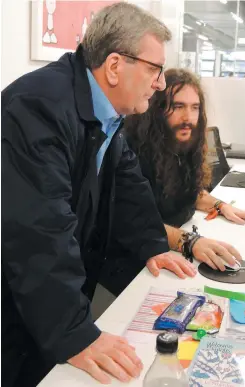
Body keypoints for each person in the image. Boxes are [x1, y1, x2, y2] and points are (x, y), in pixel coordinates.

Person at [1, 4, 197, 387]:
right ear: (113, 66)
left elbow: (126, 182)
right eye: (155, 69)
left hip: (45, 293)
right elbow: (39, 230)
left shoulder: (101, 109)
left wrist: (152, 246)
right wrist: (74, 333)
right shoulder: (39, 107)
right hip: (17, 293)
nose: (160, 83)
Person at [99, 69, 245, 295]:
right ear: (157, 109)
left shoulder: (182, 144)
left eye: (194, 107)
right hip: (134, 256)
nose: (188, 118)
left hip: (172, 246)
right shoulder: (132, 148)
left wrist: (221, 206)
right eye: (178, 107)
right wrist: (189, 242)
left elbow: (187, 191)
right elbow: (130, 218)